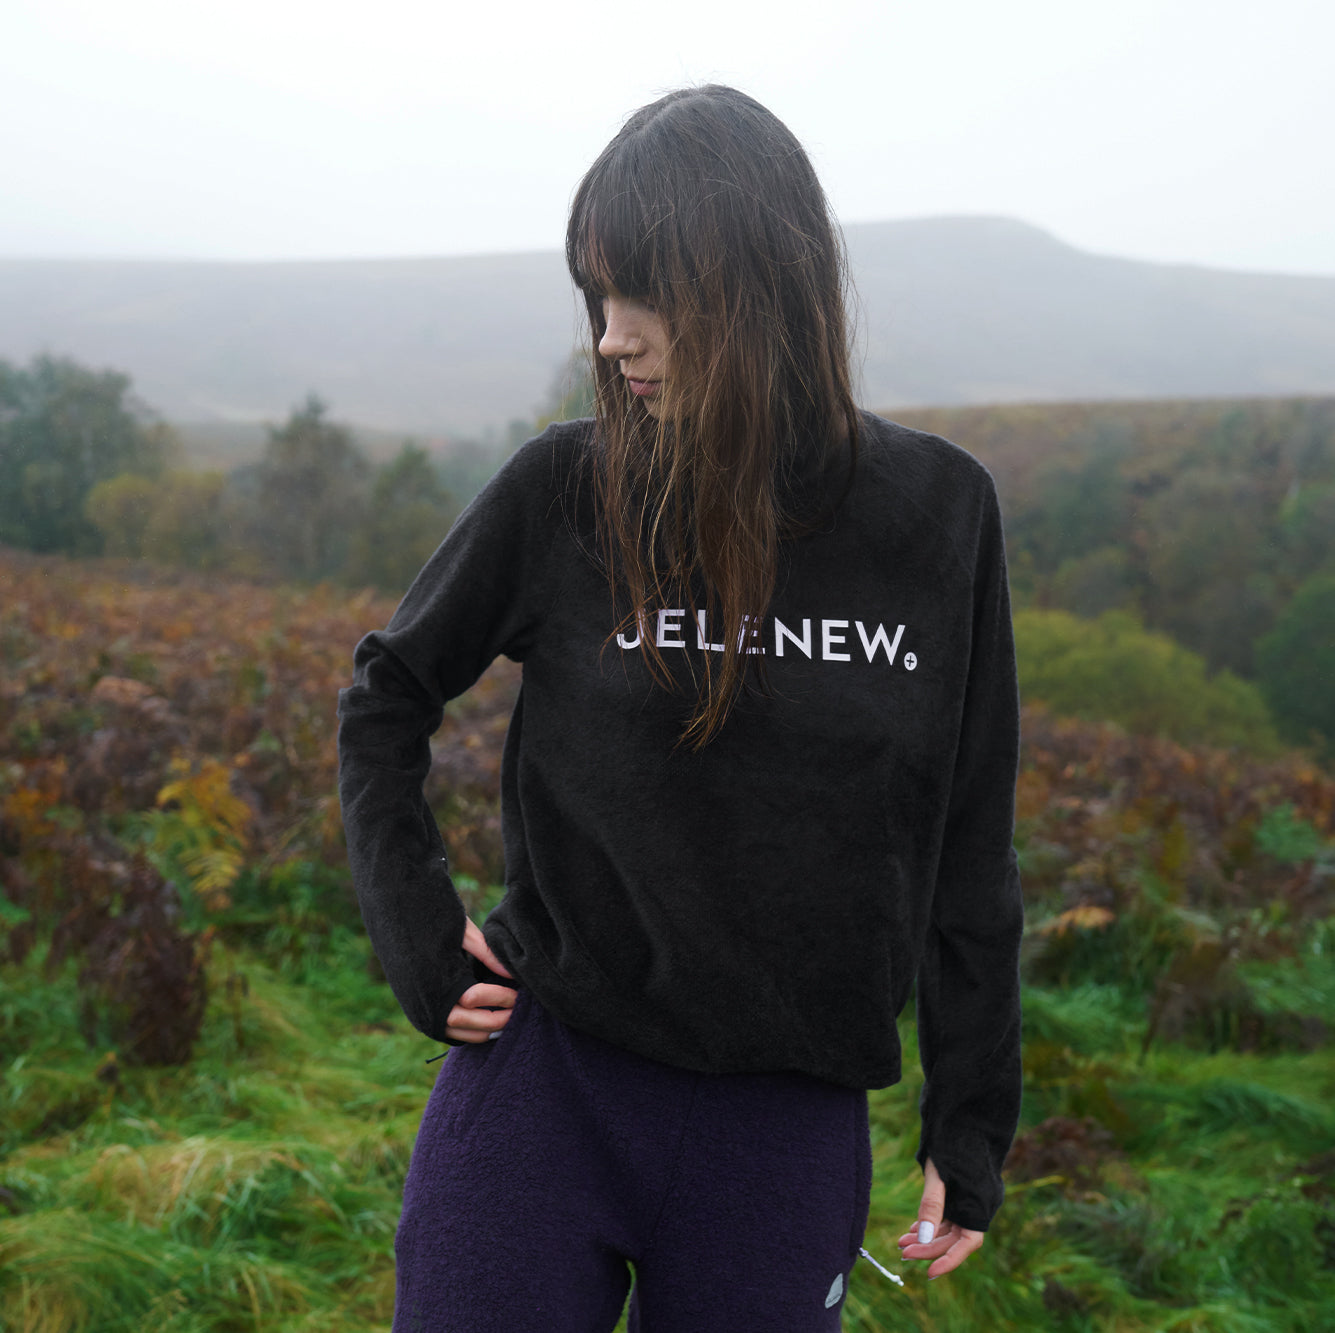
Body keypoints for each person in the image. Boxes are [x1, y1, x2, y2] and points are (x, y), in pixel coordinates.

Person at [337, 84, 1023, 1332]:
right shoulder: (569, 488)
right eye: (596, 296)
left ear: (754, 281)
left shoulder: (937, 517)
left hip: (783, 1130)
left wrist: (970, 1119)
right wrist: (415, 930)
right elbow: (386, 693)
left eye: (641, 293)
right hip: (547, 1086)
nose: (610, 338)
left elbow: (969, 839)